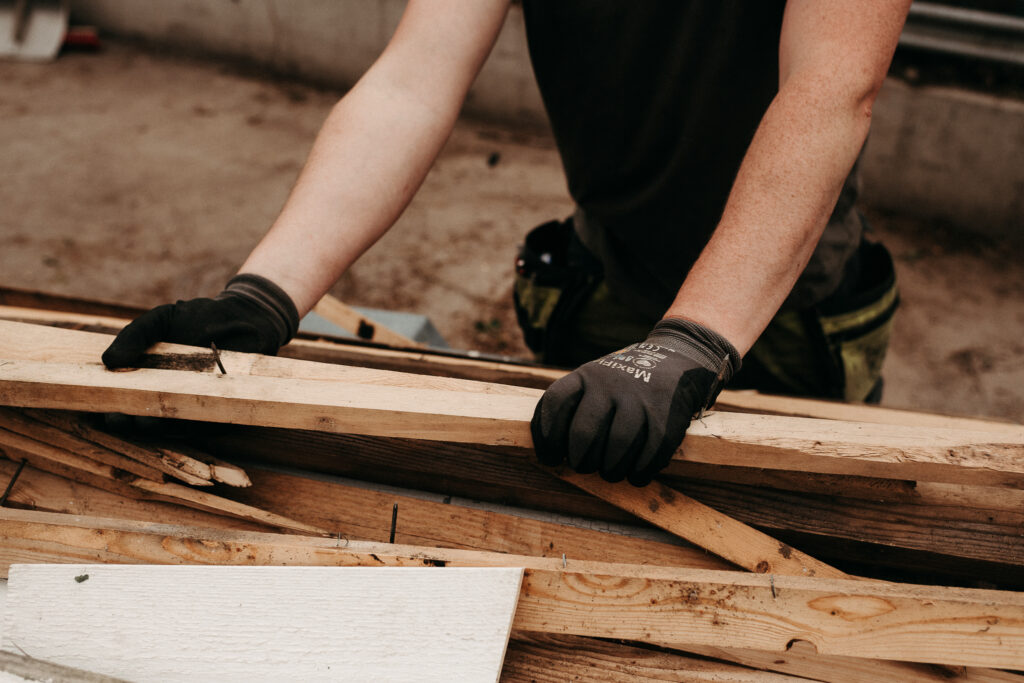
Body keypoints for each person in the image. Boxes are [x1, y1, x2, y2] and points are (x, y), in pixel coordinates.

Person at [102, 1, 912, 487]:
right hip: (606, 281)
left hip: (784, 312)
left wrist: (694, 336)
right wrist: (267, 291)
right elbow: (413, 80)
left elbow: (832, 89)